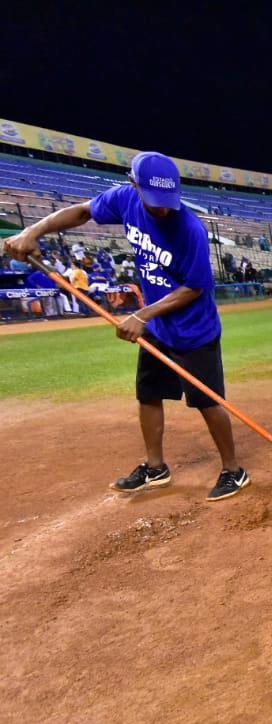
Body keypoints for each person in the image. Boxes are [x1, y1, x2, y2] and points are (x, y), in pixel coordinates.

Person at [2, 151, 250, 501]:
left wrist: (142, 315)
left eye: (167, 202)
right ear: (133, 186)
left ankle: (233, 471)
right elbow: (84, 211)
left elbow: (194, 287)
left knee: (207, 402)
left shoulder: (190, 228)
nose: (163, 210)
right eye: (154, 203)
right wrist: (34, 229)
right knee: (148, 394)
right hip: (157, 326)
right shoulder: (124, 199)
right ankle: (155, 467)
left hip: (195, 330)